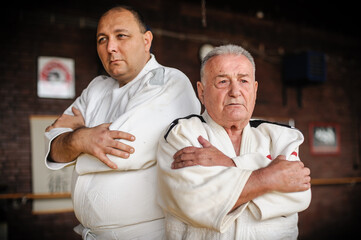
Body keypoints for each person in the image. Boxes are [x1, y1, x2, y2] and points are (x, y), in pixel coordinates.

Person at [44, 5, 201, 240]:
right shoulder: (97, 87)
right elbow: (52, 149)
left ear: (146, 40)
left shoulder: (169, 82)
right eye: (102, 39)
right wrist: (80, 138)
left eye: (121, 36)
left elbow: (123, 150)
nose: (110, 47)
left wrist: (74, 140)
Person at [157, 44, 311, 239]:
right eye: (222, 81)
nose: (235, 91)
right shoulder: (182, 134)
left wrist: (230, 164)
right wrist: (270, 177)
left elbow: (300, 195)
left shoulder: (282, 136)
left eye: (244, 81)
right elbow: (197, 201)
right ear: (201, 92)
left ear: (254, 90)